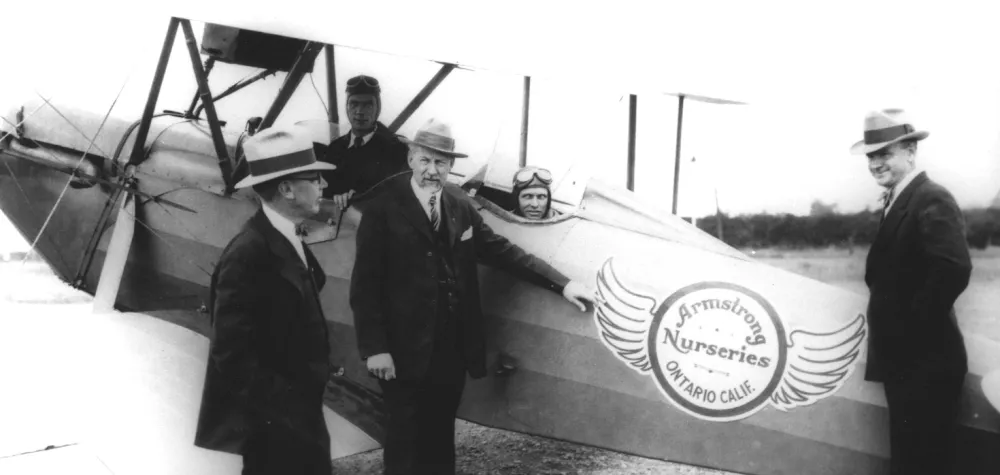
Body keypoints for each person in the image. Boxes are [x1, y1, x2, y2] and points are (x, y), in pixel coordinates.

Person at [351, 118, 593, 474]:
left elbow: (504, 252)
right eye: (426, 161)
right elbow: (365, 285)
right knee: (403, 444)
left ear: (450, 166)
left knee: (439, 443)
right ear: (411, 159)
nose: (433, 171)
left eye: (442, 163)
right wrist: (375, 349)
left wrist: (564, 284)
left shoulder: (458, 205)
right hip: (402, 352)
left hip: (450, 351)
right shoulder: (382, 208)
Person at [194, 125, 338, 475]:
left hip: (299, 418)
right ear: (287, 188)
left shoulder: (283, 237)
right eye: (315, 177)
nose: (324, 185)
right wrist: (286, 407)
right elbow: (231, 353)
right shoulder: (249, 253)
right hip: (278, 427)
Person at [851, 109, 972, 475]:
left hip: (925, 364)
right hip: (910, 365)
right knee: (912, 461)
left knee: (921, 463)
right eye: (871, 156)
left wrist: (908, 335)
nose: (875, 164)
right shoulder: (900, 199)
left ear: (910, 152)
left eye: (884, 153)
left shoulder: (930, 197)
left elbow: (953, 269)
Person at [322, 74, 409, 209]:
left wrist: (358, 197)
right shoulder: (334, 149)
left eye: (368, 105)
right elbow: (323, 191)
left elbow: (396, 197)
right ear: (346, 107)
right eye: (354, 104)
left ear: (377, 108)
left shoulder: (396, 150)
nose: (359, 112)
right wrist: (336, 196)